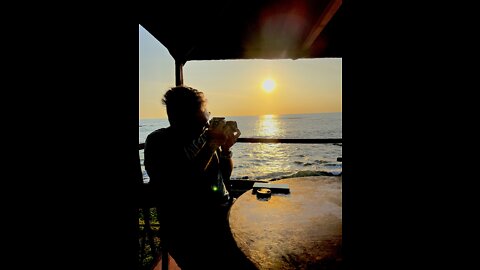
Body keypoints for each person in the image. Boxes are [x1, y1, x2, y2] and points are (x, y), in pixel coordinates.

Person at [144, 86, 254, 269]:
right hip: (190, 228)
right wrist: (211, 144)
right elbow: (181, 183)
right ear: (185, 115)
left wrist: (225, 150)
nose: (208, 118)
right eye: (204, 111)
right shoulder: (159, 141)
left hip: (222, 215)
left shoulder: (203, 137)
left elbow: (224, 175)